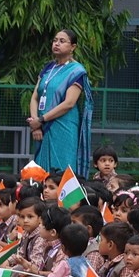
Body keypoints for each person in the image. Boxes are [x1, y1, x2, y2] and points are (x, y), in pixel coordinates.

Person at [27, 29, 93, 174]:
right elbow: (35, 97)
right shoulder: (48, 68)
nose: (57, 44)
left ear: (73, 47)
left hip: (63, 126)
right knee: (41, 172)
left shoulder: (76, 71)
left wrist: (41, 120)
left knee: (62, 171)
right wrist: (35, 125)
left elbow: (69, 103)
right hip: (42, 128)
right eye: (55, 40)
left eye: (62, 41)